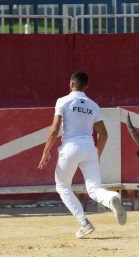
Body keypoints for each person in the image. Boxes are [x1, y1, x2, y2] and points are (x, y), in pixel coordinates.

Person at [38, 71, 126, 238]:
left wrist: (46, 150)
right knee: (94, 190)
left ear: (71, 84)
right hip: (89, 147)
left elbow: (55, 128)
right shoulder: (93, 105)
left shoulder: (62, 101)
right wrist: (97, 153)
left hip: (70, 147)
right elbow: (104, 134)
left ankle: (84, 223)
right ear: (86, 86)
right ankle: (112, 197)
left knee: (63, 187)